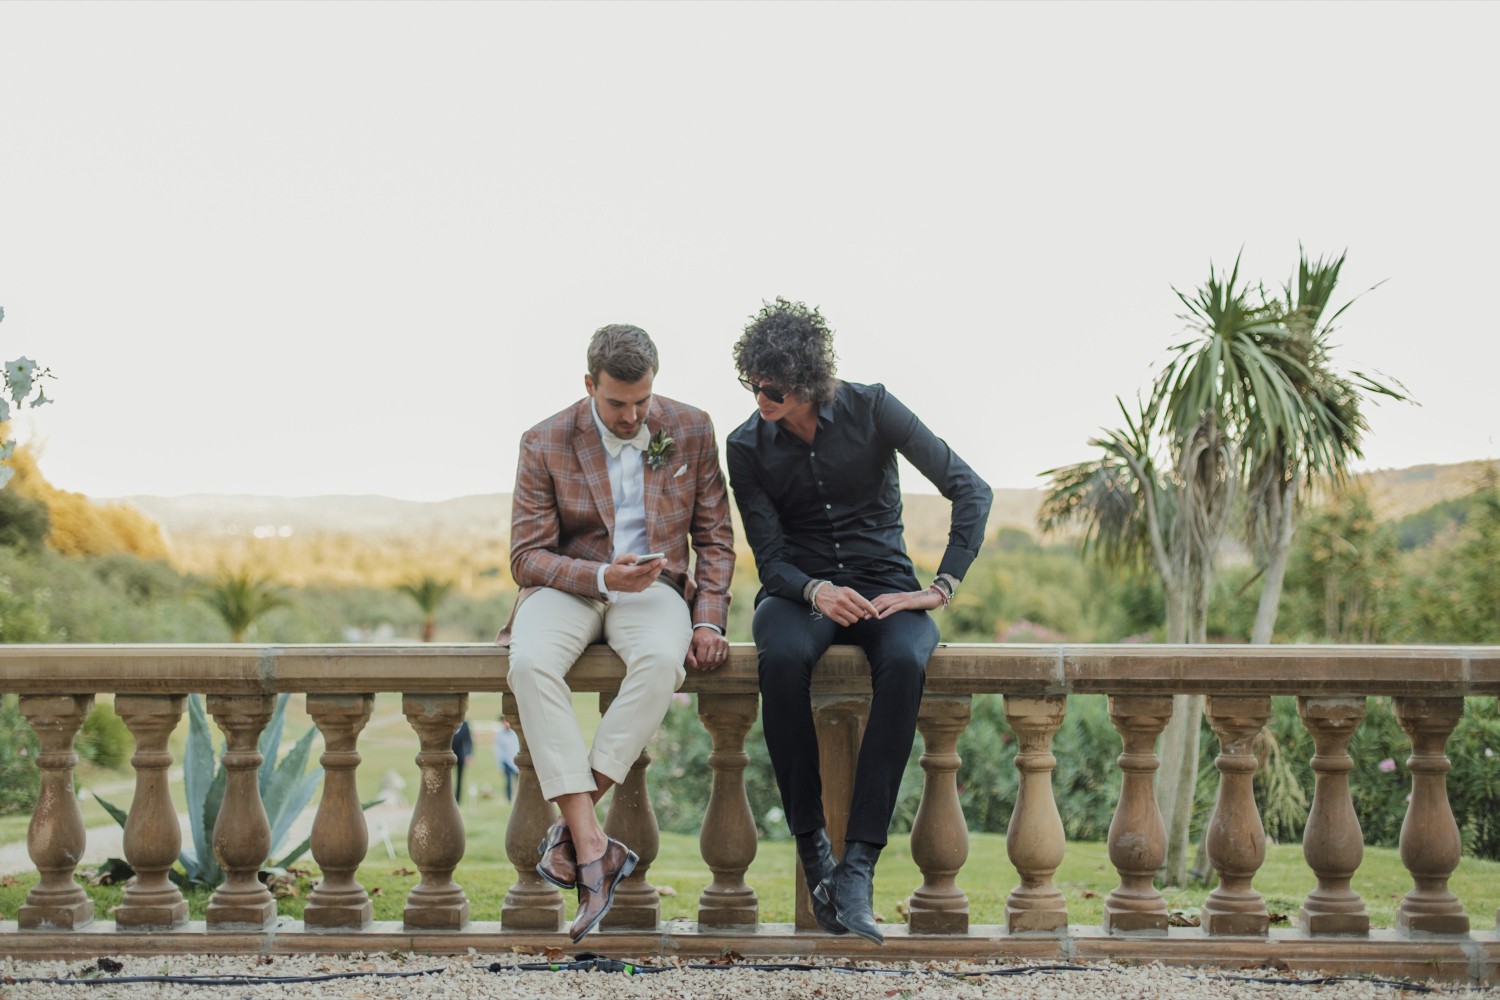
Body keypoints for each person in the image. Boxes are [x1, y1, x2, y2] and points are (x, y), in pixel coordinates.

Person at [725, 298, 991, 945]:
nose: (760, 397)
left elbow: (971, 489)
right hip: (800, 592)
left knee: (905, 658)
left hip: (887, 588)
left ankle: (859, 867)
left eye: (774, 388)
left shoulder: (873, 408)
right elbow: (771, 559)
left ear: (808, 382)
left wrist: (940, 588)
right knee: (782, 657)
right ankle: (813, 847)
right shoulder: (745, 446)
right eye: (752, 384)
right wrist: (816, 590)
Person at [498, 323, 735, 943]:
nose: (632, 416)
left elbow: (713, 537)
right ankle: (593, 842)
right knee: (527, 665)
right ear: (588, 386)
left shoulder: (691, 427)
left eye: (642, 402)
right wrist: (602, 574)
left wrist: (708, 616)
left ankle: (577, 836)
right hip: (568, 585)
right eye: (616, 404)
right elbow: (526, 557)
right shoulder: (544, 439)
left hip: (655, 590)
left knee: (662, 660)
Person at [494, 717, 520, 802]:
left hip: (517, 761)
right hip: (506, 762)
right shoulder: (499, 735)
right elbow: (498, 751)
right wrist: (500, 765)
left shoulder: (515, 734)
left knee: (519, 782)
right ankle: (508, 799)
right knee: (508, 782)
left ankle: (519, 798)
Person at [450, 720, 473, 803]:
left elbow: (468, 740)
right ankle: (451, 796)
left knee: (460, 779)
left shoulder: (465, 724)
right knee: (449, 778)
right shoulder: (450, 722)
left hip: (461, 755)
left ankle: (458, 800)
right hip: (450, 755)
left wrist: (469, 754)